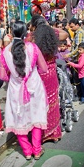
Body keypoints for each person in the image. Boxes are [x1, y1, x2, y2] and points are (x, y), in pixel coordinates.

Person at [0, 21, 48, 160]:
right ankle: (37, 151)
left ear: (11, 33)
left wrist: (14, 75)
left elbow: (3, 76)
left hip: (16, 89)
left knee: (19, 119)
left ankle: (27, 152)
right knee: (36, 116)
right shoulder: (33, 47)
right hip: (34, 86)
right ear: (26, 33)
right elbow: (44, 69)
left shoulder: (5, 51)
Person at [28, 14, 63, 144]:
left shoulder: (32, 37)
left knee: (40, 104)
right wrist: (49, 28)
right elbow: (64, 34)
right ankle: (54, 134)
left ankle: (41, 135)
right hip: (51, 73)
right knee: (53, 102)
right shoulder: (52, 34)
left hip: (38, 74)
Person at [63, 18, 84, 101]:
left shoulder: (80, 33)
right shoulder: (78, 33)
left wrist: (68, 55)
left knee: (78, 79)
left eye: (72, 27)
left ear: (77, 25)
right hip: (78, 59)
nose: (71, 29)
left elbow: (78, 48)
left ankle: (82, 96)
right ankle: (82, 96)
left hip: (78, 60)